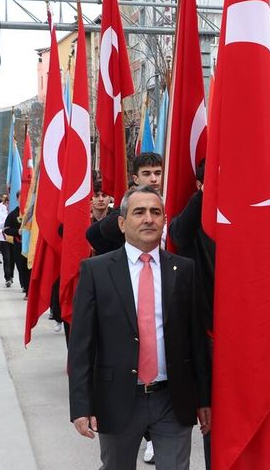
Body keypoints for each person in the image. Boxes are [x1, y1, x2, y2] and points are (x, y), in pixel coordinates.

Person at [68, 185, 210, 470]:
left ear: (164, 220)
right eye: (139, 212)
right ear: (122, 223)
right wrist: (81, 405)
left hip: (173, 398)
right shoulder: (96, 271)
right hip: (117, 398)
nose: (148, 219)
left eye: (156, 212)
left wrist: (204, 398)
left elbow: (196, 340)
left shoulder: (184, 270)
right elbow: (82, 345)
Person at [167, 161, 215, 469]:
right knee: (211, 412)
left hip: (240, 329)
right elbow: (178, 233)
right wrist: (207, 193)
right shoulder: (193, 219)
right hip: (205, 334)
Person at [87, 153, 164, 256]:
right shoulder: (127, 205)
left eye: (158, 173)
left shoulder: (173, 202)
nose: (154, 179)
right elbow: (95, 233)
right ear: (136, 179)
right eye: (146, 174)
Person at [3, 194, 30, 294]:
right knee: (21, 266)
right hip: (18, 244)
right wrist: (17, 232)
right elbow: (6, 229)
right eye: (21, 197)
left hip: (31, 245)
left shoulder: (32, 212)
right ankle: (24, 286)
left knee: (29, 266)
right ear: (17, 199)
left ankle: (29, 287)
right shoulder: (13, 214)